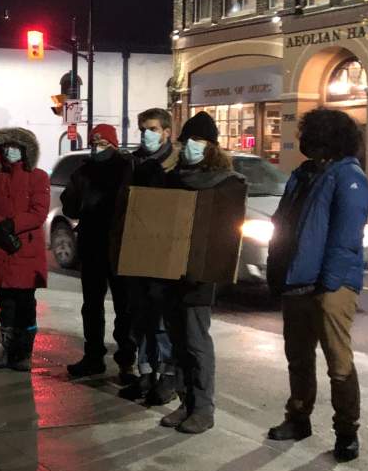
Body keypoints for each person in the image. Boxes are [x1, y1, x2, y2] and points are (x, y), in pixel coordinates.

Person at [265, 108, 368, 463]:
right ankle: (298, 418)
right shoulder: (304, 174)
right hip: (296, 281)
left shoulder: (349, 177)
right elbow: (284, 224)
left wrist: (328, 285)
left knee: (338, 363)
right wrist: (276, 269)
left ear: (329, 138)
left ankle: (347, 431)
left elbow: (345, 239)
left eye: (310, 133)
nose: (303, 140)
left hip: (330, 286)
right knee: (298, 357)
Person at [158, 112, 246, 434]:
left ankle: (203, 408)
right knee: (177, 340)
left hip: (199, 275)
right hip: (170, 272)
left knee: (196, 342)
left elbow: (225, 234)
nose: (191, 146)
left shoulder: (225, 184)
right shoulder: (173, 178)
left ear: (211, 146)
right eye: (187, 140)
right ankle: (186, 402)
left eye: (198, 141)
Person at [118, 108, 180, 404]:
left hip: (164, 251)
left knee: (162, 323)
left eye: (153, 128)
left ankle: (167, 378)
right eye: (143, 128)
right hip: (136, 249)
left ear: (167, 131)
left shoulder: (175, 165)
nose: (147, 133)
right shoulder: (133, 162)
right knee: (140, 319)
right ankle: (146, 374)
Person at [62, 123, 134, 378]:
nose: (96, 147)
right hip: (92, 246)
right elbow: (69, 208)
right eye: (94, 142)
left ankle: (126, 359)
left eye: (102, 143)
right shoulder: (83, 172)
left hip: (120, 245)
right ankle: (94, 357)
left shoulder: (128, 169)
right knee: (92, 305)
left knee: (124, 306)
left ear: (113, 144)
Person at [0, 127, 50, 372]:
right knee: (6, 302)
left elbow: (39, 212)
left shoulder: (38, 176)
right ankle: (8, 351)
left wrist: (12, 225)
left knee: (26, 304)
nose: (11, 151)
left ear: (25, 150)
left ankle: (24, 353)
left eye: (17, 147)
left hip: (24, 249)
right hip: (0, 247)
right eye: (7, 147)